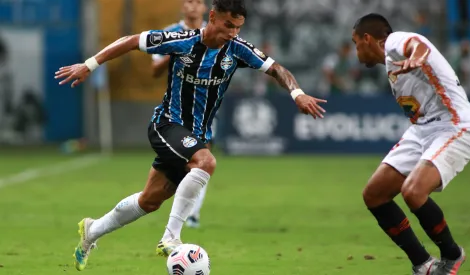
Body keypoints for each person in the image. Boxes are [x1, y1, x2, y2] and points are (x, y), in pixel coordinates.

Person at [55, 0, 326, 271]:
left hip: (197, 135)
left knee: (149, 200)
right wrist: (89, 65)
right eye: (228, 25)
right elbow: (130, 40)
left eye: (238, 27)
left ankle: (91, 231)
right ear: (212, 17)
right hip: (167, 125)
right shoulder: (181, 40)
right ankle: (170, 238)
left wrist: (297, 93)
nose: (232, 33)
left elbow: (277, 69)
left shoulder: (238, 49)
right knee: (206, 162)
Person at [352, 13, 470, 275]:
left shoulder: (393, 42)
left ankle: (451, 256)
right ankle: (423, 265)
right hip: (423, 129)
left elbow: (417, 45)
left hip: (454, 125)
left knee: (413, 192)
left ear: (368, 39)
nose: (356, 50)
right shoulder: (391, 64)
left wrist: (418, 58)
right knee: (374, 194)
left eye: (355, 43)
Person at [151, 0, 209, 229]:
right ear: (182, 7)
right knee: (181, 164)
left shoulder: (213, 33)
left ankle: (193, 214)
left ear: (205, 8)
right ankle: (175, 212)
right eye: (189, 1)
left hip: (203, 108)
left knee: (203, 160)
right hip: (175, 109)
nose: (193, 6)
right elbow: (154, 70)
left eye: (198, 2)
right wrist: (176, 51)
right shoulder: (169, 34)